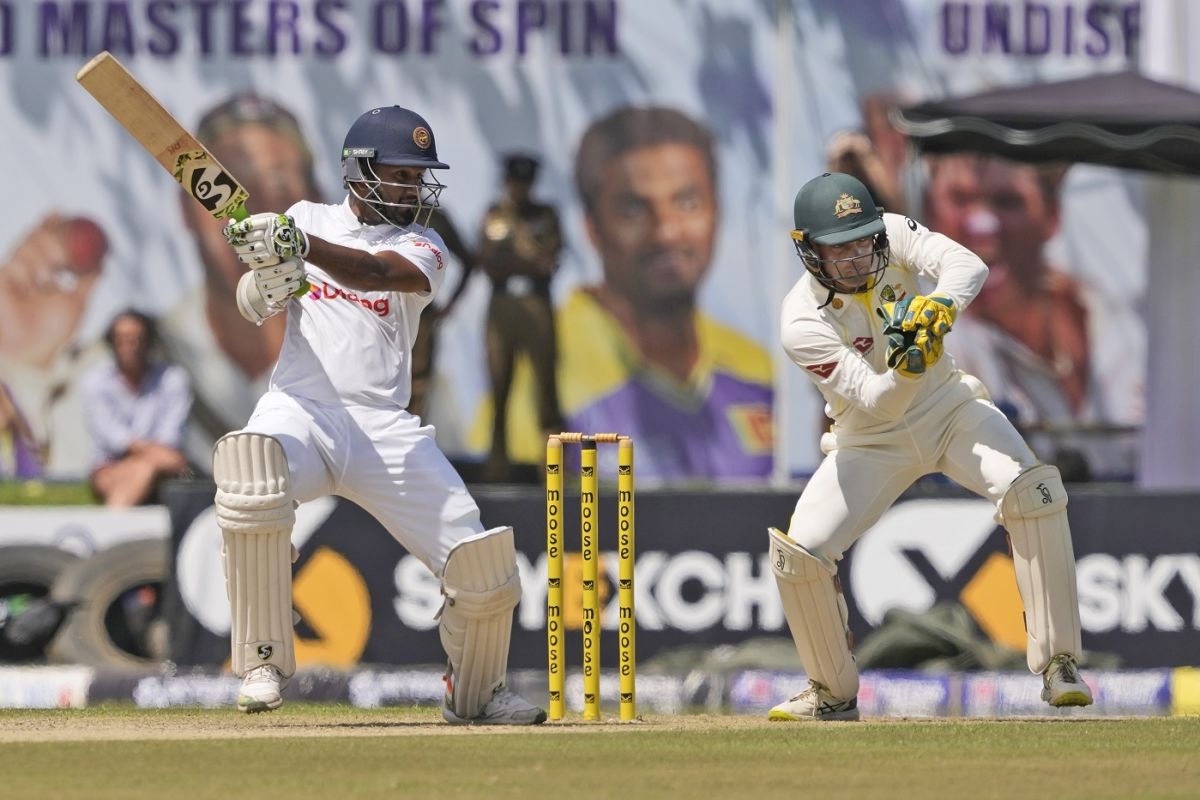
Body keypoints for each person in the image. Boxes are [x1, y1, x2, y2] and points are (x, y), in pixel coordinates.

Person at [213, 105, 544, 725]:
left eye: (419, 177)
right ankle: (261, 660)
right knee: (249, 469)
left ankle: (476, 693)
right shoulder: (304, 217)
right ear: (358, 170)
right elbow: (253, 304)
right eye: (400, 175)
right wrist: (268, 282)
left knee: (483, 563)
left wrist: (301, 250)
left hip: (382, 426)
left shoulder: (422, 244)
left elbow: (372, 273)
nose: (413, 188)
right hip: (301, 410)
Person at [767, 172, 1092, 721]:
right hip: (869, 438)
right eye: (837, 249)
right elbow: (879, 401)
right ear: (808, 250)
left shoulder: (889, 233)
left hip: (951, 409)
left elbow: (969, 266)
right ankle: (831, 692)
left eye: (860, 242)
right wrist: (908, 363)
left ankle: (1060, 663)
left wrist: (938, 308)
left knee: (1033, 491)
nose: (855, 258)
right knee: (799, 554)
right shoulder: (801, 322)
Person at [559, 105, 773, 481]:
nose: (667, 232)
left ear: (717, 211)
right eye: (633, 210)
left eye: (687, 203)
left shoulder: (758, 367)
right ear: (592, 228)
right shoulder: (545, 364)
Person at [161, 93, 322, 465]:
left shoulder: (366, 349)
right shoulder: (140, 358)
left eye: (278, 186)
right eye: (227, 190)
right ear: (185, 210)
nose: (251, 213)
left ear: (316, 202)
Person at [477, 153, 565, 481]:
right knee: (499, 384)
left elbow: (549, 263)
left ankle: (552, 467)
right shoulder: (495, 214)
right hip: (502, 305)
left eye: (525, 183)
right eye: (515, 182)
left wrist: (517, 259)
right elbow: (487, 261)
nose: (520, 189)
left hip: (536, 303)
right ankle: (497, 466)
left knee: (546, 387)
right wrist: (526, 261)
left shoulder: (546, 214)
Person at [80, 310, 192, 507]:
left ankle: (111, 530)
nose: (130, 346)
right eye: (122, 339)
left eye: (136, 339)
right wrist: (155, 457)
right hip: (110, 468)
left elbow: (171, 436)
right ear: (112, 342)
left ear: (148, 341)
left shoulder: (172, 379)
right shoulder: (96, 381)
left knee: (147, 467)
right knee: (147, 468)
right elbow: (113, 437)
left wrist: (148, 458)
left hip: (160, 470)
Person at [407, 207, 477, 421]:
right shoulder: (373, 211)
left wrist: (449, 305)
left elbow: (469, 260)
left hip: (421, 315)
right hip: (379, 312)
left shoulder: (432, 217)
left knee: (418, 384)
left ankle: (413, 445)